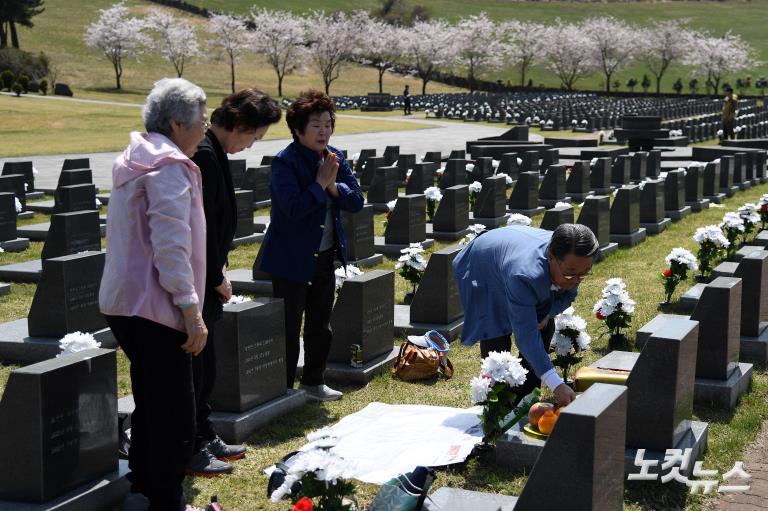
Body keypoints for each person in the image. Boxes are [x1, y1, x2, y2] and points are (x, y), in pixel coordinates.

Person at [99, 78, 211, 511]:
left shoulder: (137, 156)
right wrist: (190, 308)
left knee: (151, 399)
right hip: (156, 305)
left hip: (125, 303)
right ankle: (167, 500)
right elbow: (170, 242)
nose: (204, 130)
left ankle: (145, 485)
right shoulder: (168, 166)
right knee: (175, 415)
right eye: (200, 122)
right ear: (175, 124)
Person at [187, 88, 282, 476]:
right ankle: (191, 443)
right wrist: (215, 277)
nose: (252, 144)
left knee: (206, 367)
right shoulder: (207, 156)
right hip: (199, 280)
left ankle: (203, 431)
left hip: (210, 274)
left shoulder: (216, 152)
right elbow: (201, 228)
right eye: (254, 136)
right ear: (239, 125)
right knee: (195, 369)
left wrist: (221, 267)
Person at [260, 89, 364, 401]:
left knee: (320, 324)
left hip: (325, 256)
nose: (324, 131)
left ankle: (313, 381)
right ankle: (283, 390)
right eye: (316, 125)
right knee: (290, 327)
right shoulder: (285, 163)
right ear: (298, 129)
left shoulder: (335, 157)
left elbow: (357, 201)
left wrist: (333, 185)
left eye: (328, 124)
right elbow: (291, 208)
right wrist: (319, 185)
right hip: (291, 259)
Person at [452, 223, 599, 407]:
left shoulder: (574, 259)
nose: (577, 280)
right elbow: (526, 336)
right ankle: (498, 401)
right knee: (496, 332)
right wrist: (556, 385)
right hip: (484, 264)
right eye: (570, 274)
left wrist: (549, 313)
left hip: (514, 249)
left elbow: (568, 295)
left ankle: (526, 399)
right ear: (551, 257)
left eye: (584, 274)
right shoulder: (524, 275)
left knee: (543, 323)